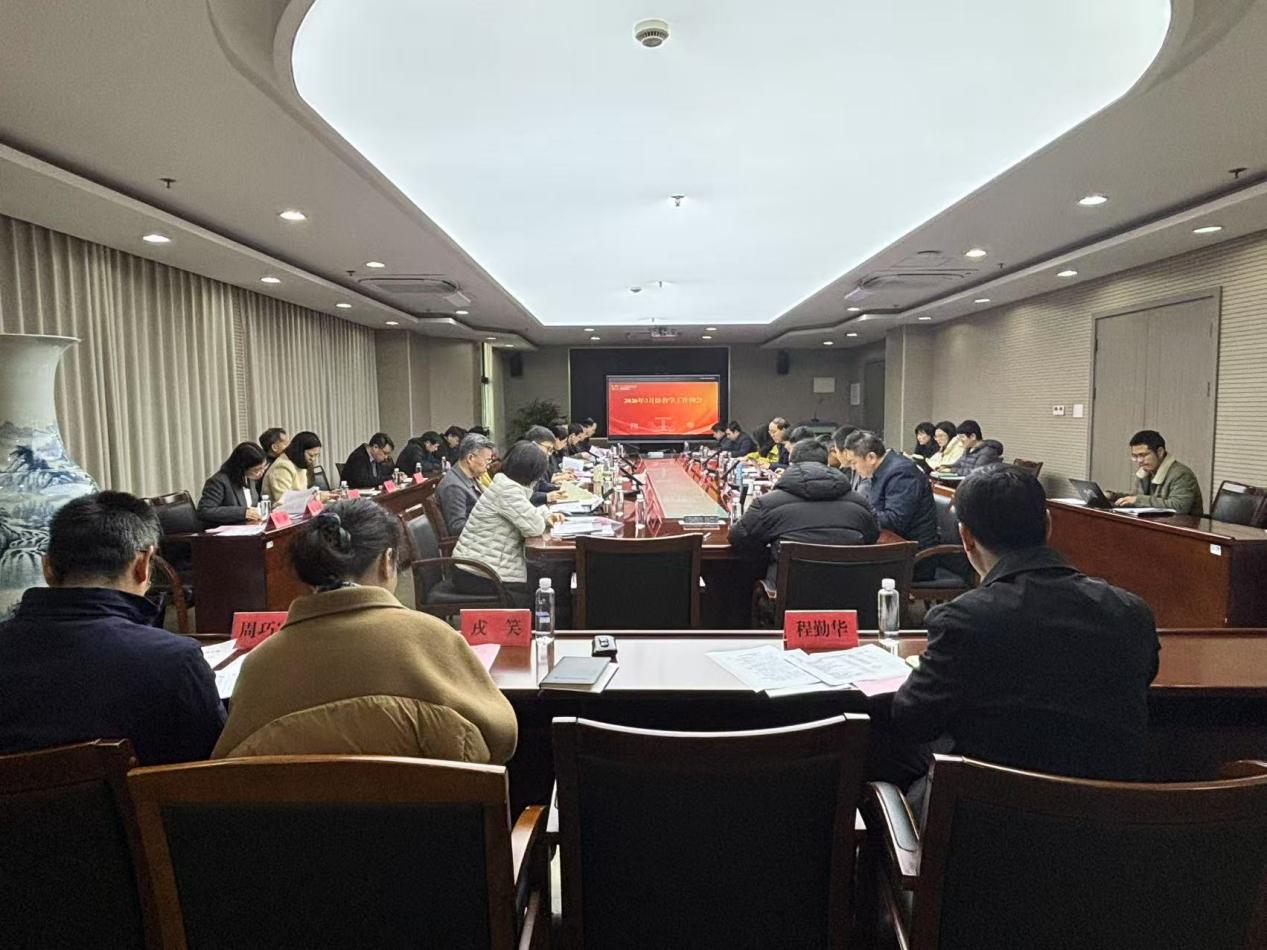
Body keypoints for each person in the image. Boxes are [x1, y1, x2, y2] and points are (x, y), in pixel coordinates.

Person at [879, 465, 1159, 796]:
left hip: (989, 814)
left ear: (965, 537)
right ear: (1048, 524)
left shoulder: (963, 620)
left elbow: (913, 719)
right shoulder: (1131, 612)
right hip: (1108, 814)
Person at [212, 500, 517, 763]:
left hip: (297, 815)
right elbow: (502, 736)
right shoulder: (433, 637)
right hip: (428, 814)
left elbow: (228, 764)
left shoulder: (261, 663)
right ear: (387, 561)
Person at [0, 492, 225, 764]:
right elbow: (212, 767)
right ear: (143, 565)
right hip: (141, 793)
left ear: (47, 568)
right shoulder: (176, 660)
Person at [729, 439, 879, 584]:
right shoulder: (859, 503)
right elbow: (872, 536)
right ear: (826, 463)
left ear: (791, 464)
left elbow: (738, 538)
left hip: (789, 595)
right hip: (851, 593)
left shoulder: (767, 503)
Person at [451, 441, 565, 607]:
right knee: (551, 582)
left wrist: (546, 515)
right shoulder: (508, 491)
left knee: (550, 574)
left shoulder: (505, 484)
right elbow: (534, 527)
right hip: (478, 573)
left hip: (481, 566)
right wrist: (543, 518)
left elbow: (526, 511)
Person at [844, 432, 939, 572]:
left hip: (914, 556)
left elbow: (895, 520)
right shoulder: (884, 470)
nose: (853, 468)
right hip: (891, 546)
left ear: (871, 457)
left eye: (854, 462)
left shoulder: (902, 473)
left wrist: (858, 517)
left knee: (849, 568)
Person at [1112, 429, 1204, 515]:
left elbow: (1179, 507)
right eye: (1135, 456)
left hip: (1181, 525)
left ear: (1160, 452)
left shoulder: (1181, 474)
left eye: (1143, 455)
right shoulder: (1145, 471)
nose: (1139, 460)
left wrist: (1138, 500)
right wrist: (1112, 496)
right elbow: (1135, 498)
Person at [435, 432, 495, 536]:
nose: (488, 466)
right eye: (487, 461)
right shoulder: (453, 486)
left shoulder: (470, 477)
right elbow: (456, 527)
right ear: (470, 458)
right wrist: (491, 523)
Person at [198, 441, 269, 525]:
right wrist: (243, 512)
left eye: (264, 467)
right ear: (242, 467)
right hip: (225, 530)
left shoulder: (249, 478)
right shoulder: (218, 481)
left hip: (249, 527)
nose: (262, 472)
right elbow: (205, 511)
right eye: (257, 470)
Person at [263, 430, 323, 499]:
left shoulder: (300, 464)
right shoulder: (282, 467)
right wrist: (317, 498)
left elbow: (303, 493)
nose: (313, 459)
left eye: (316, 455)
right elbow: (284, 500)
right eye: (311, 455)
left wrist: (323, 494)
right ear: (299, 451)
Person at [524, 425, 566, 505]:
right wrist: (547, 496)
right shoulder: (523, 463)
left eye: (551, 450)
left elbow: (540, 484)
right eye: (548, 448)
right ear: (534, 444)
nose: (549, 454)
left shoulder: (537, 462)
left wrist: (560, 488)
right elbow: (525, 496)